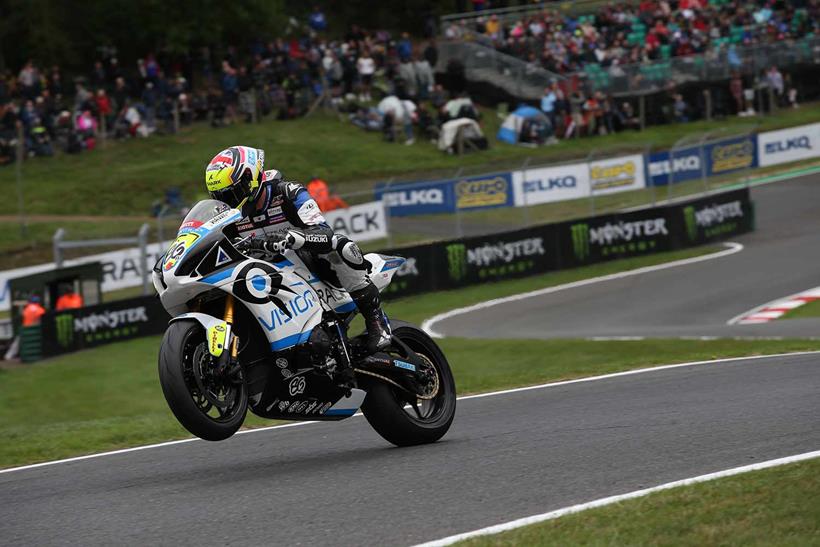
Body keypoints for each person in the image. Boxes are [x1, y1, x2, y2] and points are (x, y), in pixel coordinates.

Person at [204, 146, 391, 353]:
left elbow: (324, 232)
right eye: (221, 197)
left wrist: (292, 237)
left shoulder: (288, 192)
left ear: (252, 178)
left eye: (232, 193)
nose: (228, 201)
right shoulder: (229, 217)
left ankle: (376, 321)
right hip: (265, 274)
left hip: (310, 263)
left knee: (340, 245)